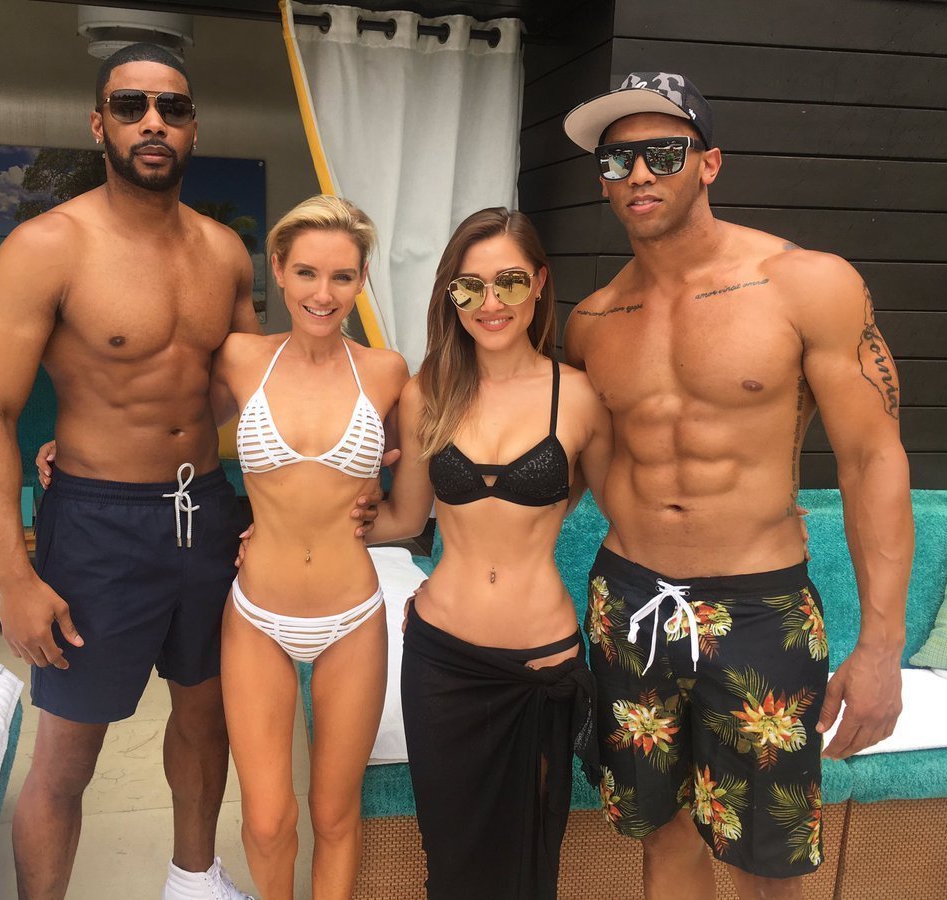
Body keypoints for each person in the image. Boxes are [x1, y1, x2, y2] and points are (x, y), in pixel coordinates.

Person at [0, 45, 366, 900]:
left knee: (206, 714)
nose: (153, 122)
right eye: (131, 105)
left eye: (172, 108)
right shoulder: (48, 246)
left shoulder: (224, 252)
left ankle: (194, 880)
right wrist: (12, 573)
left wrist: (327, 485)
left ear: (193, 128)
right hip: (97, 523)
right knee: (69, 749)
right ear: (98, 122)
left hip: (206, 510)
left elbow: (257, 385)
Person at [559, 72, 912, 899]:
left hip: (760, 610)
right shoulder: (593, 321)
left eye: (662, 153)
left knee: (768, 860)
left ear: (708, 163)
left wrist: (881, 649)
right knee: (662, 836)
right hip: (630, 605)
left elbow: (873, 461)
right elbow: (566, 465)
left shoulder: (807, 284)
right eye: (616, 161)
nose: (638, 174)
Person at [38, 194, 409, 900]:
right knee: (267, 821)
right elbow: (165, 415)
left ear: (362, 280)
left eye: (342, 276)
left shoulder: (389, 372)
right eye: (306, 272)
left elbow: (411, 494)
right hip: (258, 613)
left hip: (352, 613)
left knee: (335, 814)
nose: (323, 293)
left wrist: (368, 508)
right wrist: (80, 448)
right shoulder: (241, 358)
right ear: (278, 270)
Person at [368, 208, 613, 900]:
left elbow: (631, 514)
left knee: (529, 865)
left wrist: (758, 512)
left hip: (541, 664)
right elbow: (403, 517)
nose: (490, 302)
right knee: (449, 862)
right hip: (441, 658)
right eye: (469, 287)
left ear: (539, 283)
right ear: (451, 296)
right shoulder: (428, 393)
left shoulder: (580, 397)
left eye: (508, 281)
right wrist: (288, 525)